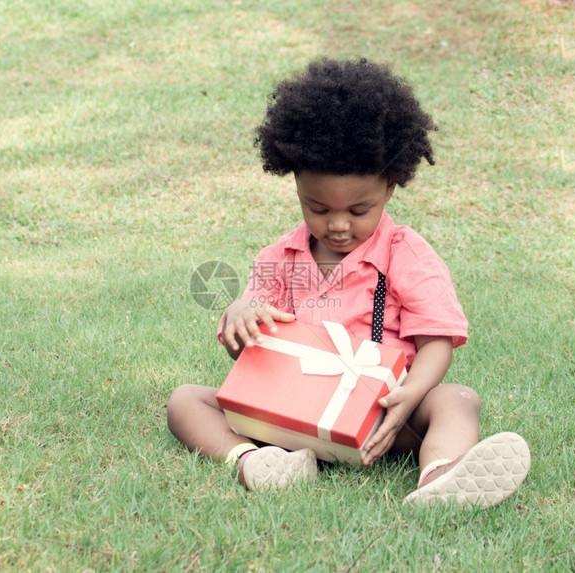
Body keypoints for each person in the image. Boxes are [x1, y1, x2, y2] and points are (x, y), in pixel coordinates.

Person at [167, 58, 531, 508]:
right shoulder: (281, 257)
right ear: (296, 183)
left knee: (456, 399)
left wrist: (411, 394)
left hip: (382, 417)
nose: (338, 225)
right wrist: (241, 315)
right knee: (186, 400)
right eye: (317, 208)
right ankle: (253, 463)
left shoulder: (405, 253)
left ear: (391, 187)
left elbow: (436, 339)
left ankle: (442, 474)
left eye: (359, 210)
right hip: (294, 417)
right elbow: (248, 341)